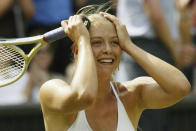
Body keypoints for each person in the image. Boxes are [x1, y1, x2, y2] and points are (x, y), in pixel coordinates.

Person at [39, 4, 191, 131]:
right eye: (97, 42)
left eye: (115, 42)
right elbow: (84, 96)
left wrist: (130, 46)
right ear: (78, 50)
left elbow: (181, 87)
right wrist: (82, 39)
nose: (108, 50)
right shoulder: (51, 90)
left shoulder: (130, 94)